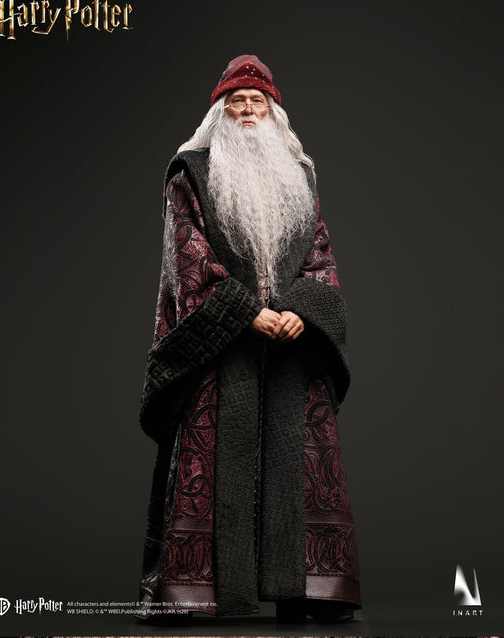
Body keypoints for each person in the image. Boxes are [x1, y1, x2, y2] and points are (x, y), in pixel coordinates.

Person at [136, 54, 361, 624]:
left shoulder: (299, 175)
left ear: (272, 111)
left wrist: (301, 311)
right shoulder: (191, 174)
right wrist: (243, 313)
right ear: (220, 113)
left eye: (256, 101)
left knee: (299, 463)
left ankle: (305, 593)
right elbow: (187, 257)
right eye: (235, 102)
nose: (246, 109)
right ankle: (203, 595)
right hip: (221, 347)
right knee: (210, 464)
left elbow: (319, 255)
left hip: (290, 348)